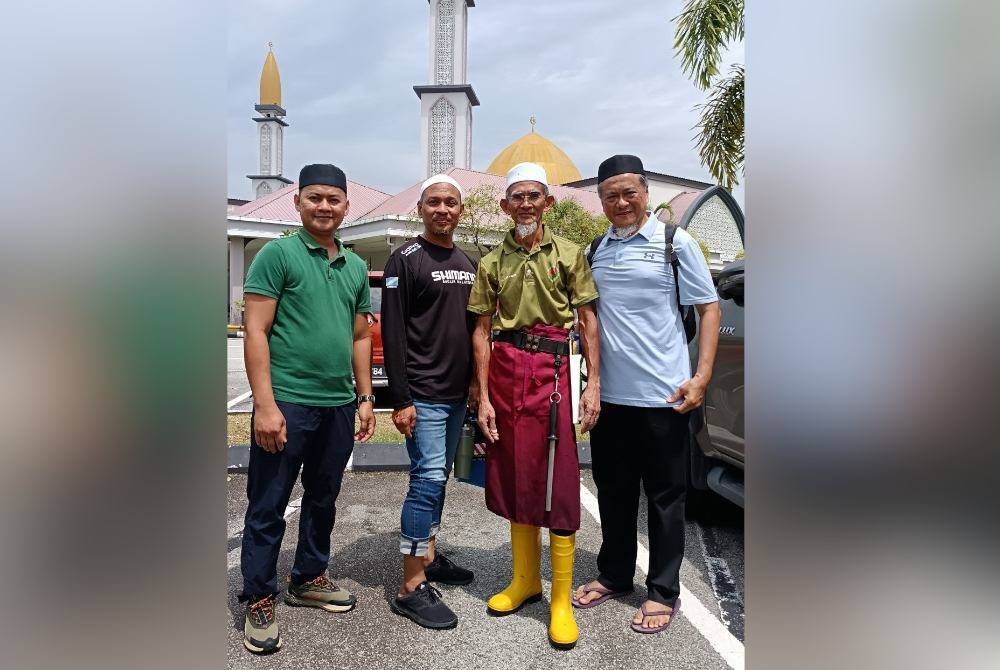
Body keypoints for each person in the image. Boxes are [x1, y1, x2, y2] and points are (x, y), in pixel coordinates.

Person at [571, 155, 721, 635]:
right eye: (610, 195)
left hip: (664, 397)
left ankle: (662, 591)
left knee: (664, 497)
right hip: (611, 399)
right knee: (613, 493)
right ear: (601, 200)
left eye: (628, 192)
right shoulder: (597, 249)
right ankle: (614, 574)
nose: (621, 202)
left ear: (645, 192)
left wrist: (701, 378)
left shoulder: (675, 243)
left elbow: (709, 308)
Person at [239, 163, 377, 654]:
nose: (324, 207)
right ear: (298, 202)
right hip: (288, 403)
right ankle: (258, 594)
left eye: (333, 199)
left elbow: (360, 335)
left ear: (346, 206)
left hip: (338, 405)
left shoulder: (356, 267)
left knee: (323, 497)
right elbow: (255, 330)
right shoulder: (277, 255)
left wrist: (364, 398)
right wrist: (264, 405)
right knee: (268, 504)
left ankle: (308, 576)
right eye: (315, 197)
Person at [468, 162, 602, 650]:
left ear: (548, 202)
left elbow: (588, 322)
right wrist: (482, 396)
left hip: (556, 372)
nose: (525, 204)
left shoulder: (568, 254)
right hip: (505, 372)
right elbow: (481, 332)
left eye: (534, 196)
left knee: (559, 478)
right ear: (504, 206)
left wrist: (593, 385)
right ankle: (525, 581)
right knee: (515, 473)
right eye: (516, 197)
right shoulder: (491, 262)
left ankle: (561, 600)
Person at [381, 174, 478, 630]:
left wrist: (477, 391)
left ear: (461, 210)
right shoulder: (406, 259)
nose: (443, 209)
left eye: (451, 203)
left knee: (438, 479)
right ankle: (410, 585)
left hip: (457, 394)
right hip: (423, 394)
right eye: (434, 202)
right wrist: (400, 399)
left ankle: (430, 557)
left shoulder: (467, 260)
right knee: (425, 481)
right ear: (420, 208)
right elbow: (394, 332)